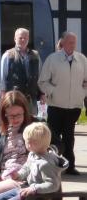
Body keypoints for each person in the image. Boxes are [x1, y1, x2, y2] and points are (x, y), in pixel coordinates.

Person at [37, 31, 87, 175]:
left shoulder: (82, 59)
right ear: (63, 43)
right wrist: (53, 91)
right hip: (56, 105)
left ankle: (69, 166)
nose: (73, 45)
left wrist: (82, 93)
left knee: (69, 137)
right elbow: (42, 81)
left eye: (74, 43)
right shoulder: (52, 59)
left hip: (74, 107)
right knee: (53, 136)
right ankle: (52, 165)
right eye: (70, 42)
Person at [1, 28, 41, 109]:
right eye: (20, 38)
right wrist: (3, 95)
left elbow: (40, 77)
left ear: (28, 39)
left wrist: (42, 94)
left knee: (31, 121)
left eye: (25, 38)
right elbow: (2, 78)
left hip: (31, 99)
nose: (23, 40)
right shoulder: (8, 55)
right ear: (15, 39)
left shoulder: (35, 55)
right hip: (14, 98)